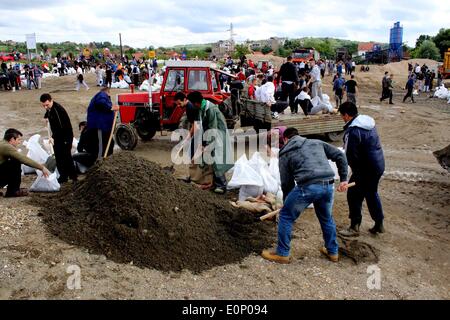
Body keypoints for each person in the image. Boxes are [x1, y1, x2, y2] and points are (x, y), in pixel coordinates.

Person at [261, 127, 349, 264]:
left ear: (285, 139)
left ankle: (282, 254)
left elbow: (286, 183)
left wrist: (287, 202)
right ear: (298, 135)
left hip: (307, 186)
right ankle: (333, 252)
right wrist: (343, 178)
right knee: (326, 218)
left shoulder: (285, 152)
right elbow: (340, 155)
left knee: (285, 215)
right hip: (327, 185)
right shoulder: (316, 142)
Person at [337, 102, 385, 236]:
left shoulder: (353, 131)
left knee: (353, 195)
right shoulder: (368, 122)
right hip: (378, 164)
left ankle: (354, 226)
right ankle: (379, 224)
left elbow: (350, 156)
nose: (342, 118)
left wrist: (350, 175)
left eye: (342, 115)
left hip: (365, 168)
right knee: (371, 193)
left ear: (346, 115)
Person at [186, 91, 233, 194]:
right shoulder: (200, 109)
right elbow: (199, 124)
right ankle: (213, 183)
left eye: (192, 103)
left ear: (196, 103)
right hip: (210, 133)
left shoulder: (210, 109)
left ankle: (222, 185)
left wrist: (207, 145)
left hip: (218, 133)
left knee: (216, 158)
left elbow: (213, 128)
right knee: (209, 157)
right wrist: (201, 144)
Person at [0, 128, 50, 197]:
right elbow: (23, 159)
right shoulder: (7, 147)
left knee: (9, 162)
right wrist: (42, 168)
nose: (19, 142)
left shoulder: (2, 143)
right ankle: (13, 191)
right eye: (18, 139)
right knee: (15, 162)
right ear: (12, 139)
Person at [40, 94, 77, 184]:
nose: (45, 107)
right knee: (59, 157)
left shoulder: (58, 111)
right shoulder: (50, 109)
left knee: (66, 157)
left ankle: (74, 177)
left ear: (51, 100)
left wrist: (52, 138)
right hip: (57, 136)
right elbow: (48, 112)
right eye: (43, 105)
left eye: (47, 105)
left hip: (65, 137)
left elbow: (61, 128)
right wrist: (46, 117)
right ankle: (63, 176)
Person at [86, 87, 119, 159]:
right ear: (107, 92)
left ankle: (107, 160)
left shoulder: (103, 97)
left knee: (109, 144)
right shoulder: (102, 94)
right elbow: (101, 102)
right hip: (100, 127)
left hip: (104, 127)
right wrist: (111, 107)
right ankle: (99, 162)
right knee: (101, 146)